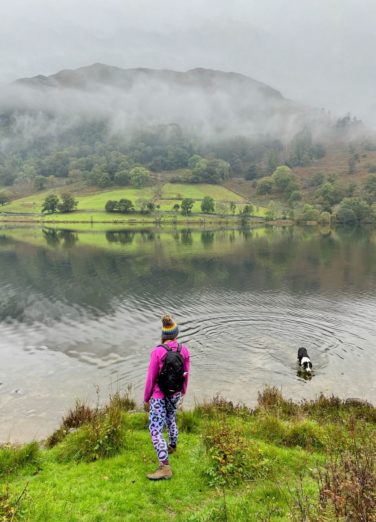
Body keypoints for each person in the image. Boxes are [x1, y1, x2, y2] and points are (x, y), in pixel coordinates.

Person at [144, 313, 190, 480]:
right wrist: (183, 390)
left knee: (155, 429)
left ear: (163, 335)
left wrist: (146, 397)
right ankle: (172, 445)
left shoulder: (157, 352)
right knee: (171, 417)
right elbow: (186, 373)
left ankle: (164, 467)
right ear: (176, 334)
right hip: (176, 392)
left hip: (158, 394)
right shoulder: (183, 350)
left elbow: (151, 377)